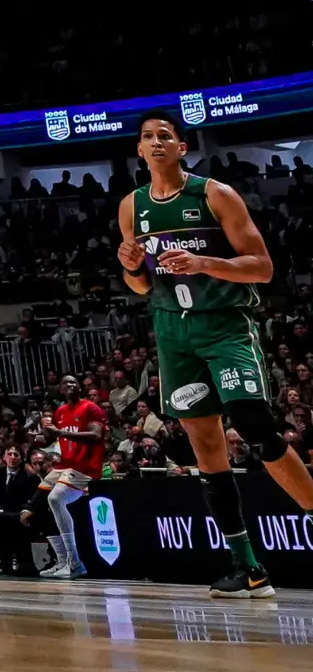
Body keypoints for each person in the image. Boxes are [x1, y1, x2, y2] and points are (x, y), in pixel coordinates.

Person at [117, 110, 313, 598]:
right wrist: (132, 268)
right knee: (206, 447)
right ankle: (247, 567)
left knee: (254, 427)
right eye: (148, 137)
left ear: (182, 148)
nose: (156, 142)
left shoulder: (213, 194)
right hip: (172, 332)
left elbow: (263, 268)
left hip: (223, 326)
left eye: (166, 135)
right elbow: (140, 285)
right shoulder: (131, 206)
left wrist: (205, 261)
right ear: (139, 151)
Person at [38, 372, 105, 579]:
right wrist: (44, 432)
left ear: (80, 387)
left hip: (85, 467)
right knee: (38, 504)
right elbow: (50, 439)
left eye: (74, 382)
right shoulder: (60, 411)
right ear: (60, 389)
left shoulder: (90, 408)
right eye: (66, 383)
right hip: (64, 466)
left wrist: (61, 433)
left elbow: (96, 436)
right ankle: (61, 561)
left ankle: (75, 563)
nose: (70, 385)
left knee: (55, 498)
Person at [0, 445, 41, 576]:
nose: (13, 458)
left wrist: (24, 511)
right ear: (4, 457)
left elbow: (31, 501)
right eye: (9, 454)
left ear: (22, 458)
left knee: (3, 520)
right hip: (0, 512)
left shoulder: (29, 476)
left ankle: (19, 562)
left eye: (16, 455)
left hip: (20, 513)